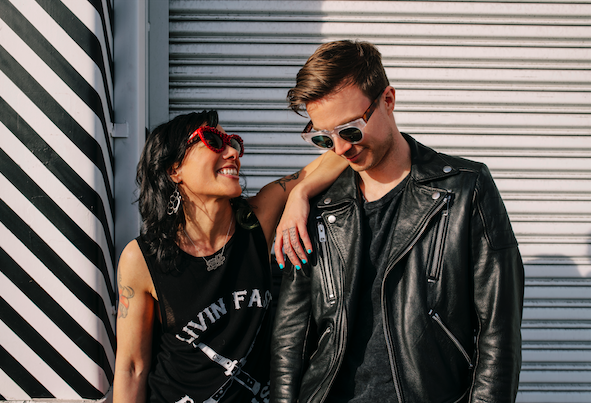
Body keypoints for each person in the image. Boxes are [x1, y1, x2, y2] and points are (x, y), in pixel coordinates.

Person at [270, 40, 525, 403]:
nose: (340, 149)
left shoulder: (465, 190)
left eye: (351, 130)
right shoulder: (317, 210)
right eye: (324, 138)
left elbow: (498, 333)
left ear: (388, 99)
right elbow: (290, 339)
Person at [113, 110, 346, 403]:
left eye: (233, 143)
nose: (233, 152)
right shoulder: (143, 258)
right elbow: (132, 368)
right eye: (212, 141)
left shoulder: (256, 223)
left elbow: (339, 155)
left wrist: (300, 193)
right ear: (174, 169)